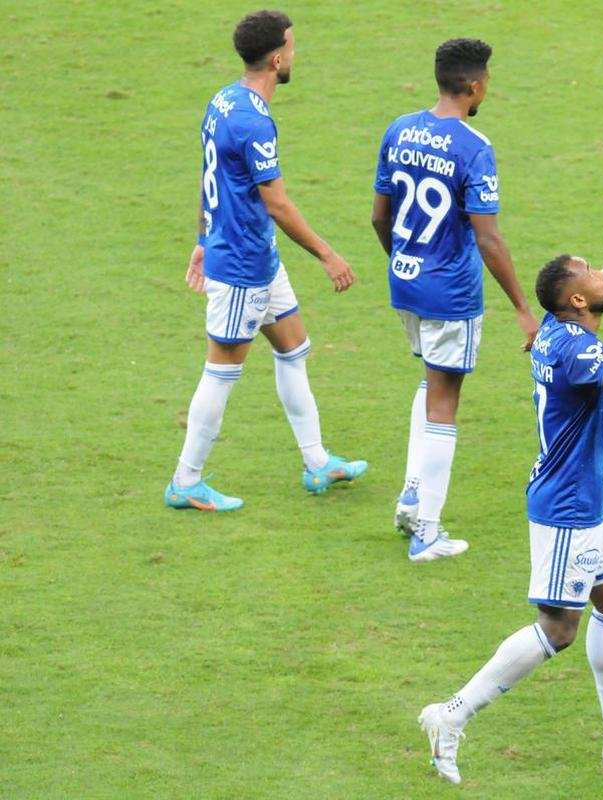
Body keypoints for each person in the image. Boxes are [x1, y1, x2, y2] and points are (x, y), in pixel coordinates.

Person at [418, 229, 603, 784]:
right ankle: (450, 714)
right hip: (568, 506)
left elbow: (576, 302)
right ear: (576, 302)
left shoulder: (554, 328)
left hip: (593, 498)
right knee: (558, 629)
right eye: (590, 271)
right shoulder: (574, 349)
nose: (599, 272)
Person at [165, 10, 366, 512]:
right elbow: (275, 202)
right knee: (221, 371)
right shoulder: (254, 120)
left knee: (293, 348)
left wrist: (202, 236)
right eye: (293, 49)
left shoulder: (223, 100)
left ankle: (317, 461)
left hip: (253, 255)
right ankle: (185, 482)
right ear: (277, 59)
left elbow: (208, 171)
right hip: (241, 266)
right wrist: (327, 254)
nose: (295, 55)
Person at [372, 37, 539, 561]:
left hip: (406, 281)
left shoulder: (399, 128)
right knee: (445, 401)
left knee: (430, 382)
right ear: (472, 85)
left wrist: (404, 263)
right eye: (486, 78)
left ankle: (412, 495)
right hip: (451, 292)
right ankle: (427, 532)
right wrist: (521, 306)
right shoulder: (473, 146)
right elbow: (488, 238)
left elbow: (379, 216)